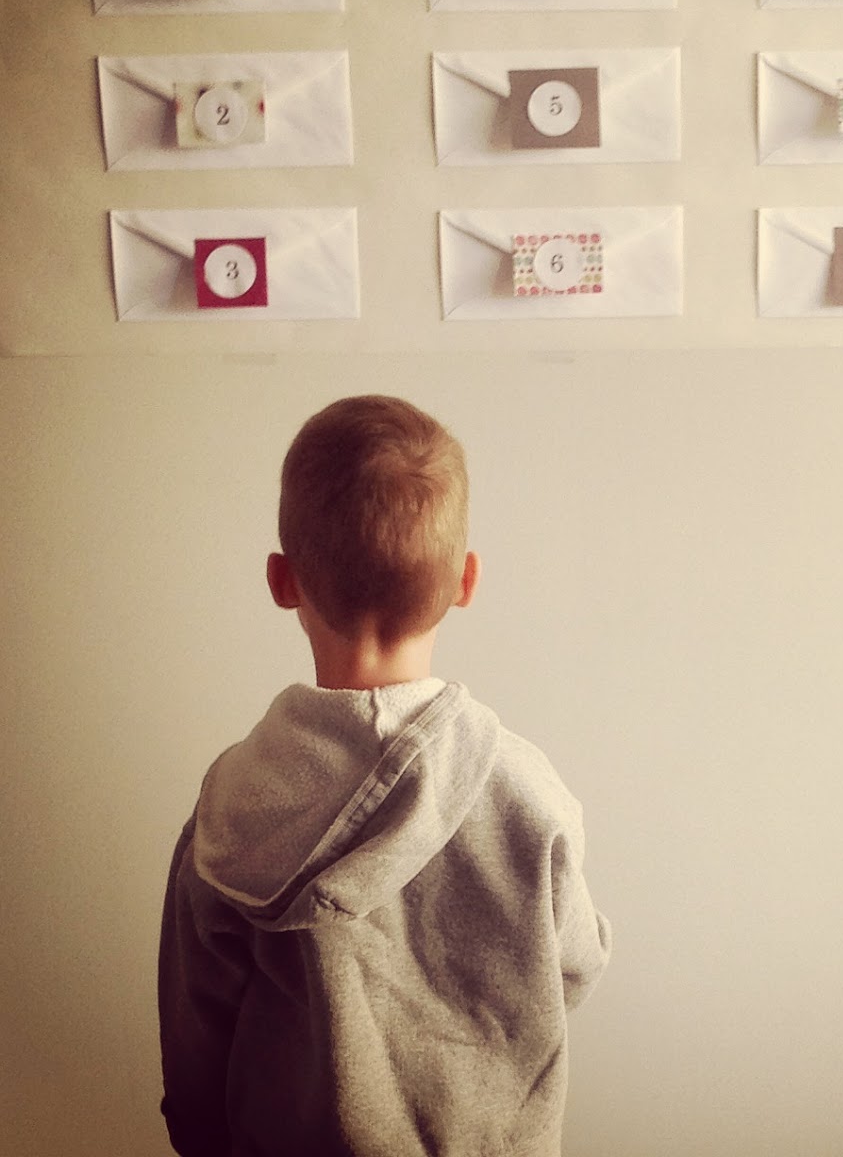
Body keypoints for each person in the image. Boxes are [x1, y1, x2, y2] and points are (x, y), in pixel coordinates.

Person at [158, 395, 611, 1157]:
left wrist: (199, 1132)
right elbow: (575, 968)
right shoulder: (527, 794)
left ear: (282, 581)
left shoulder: (232, 806)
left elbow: (196, 1018)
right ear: (466, 580)